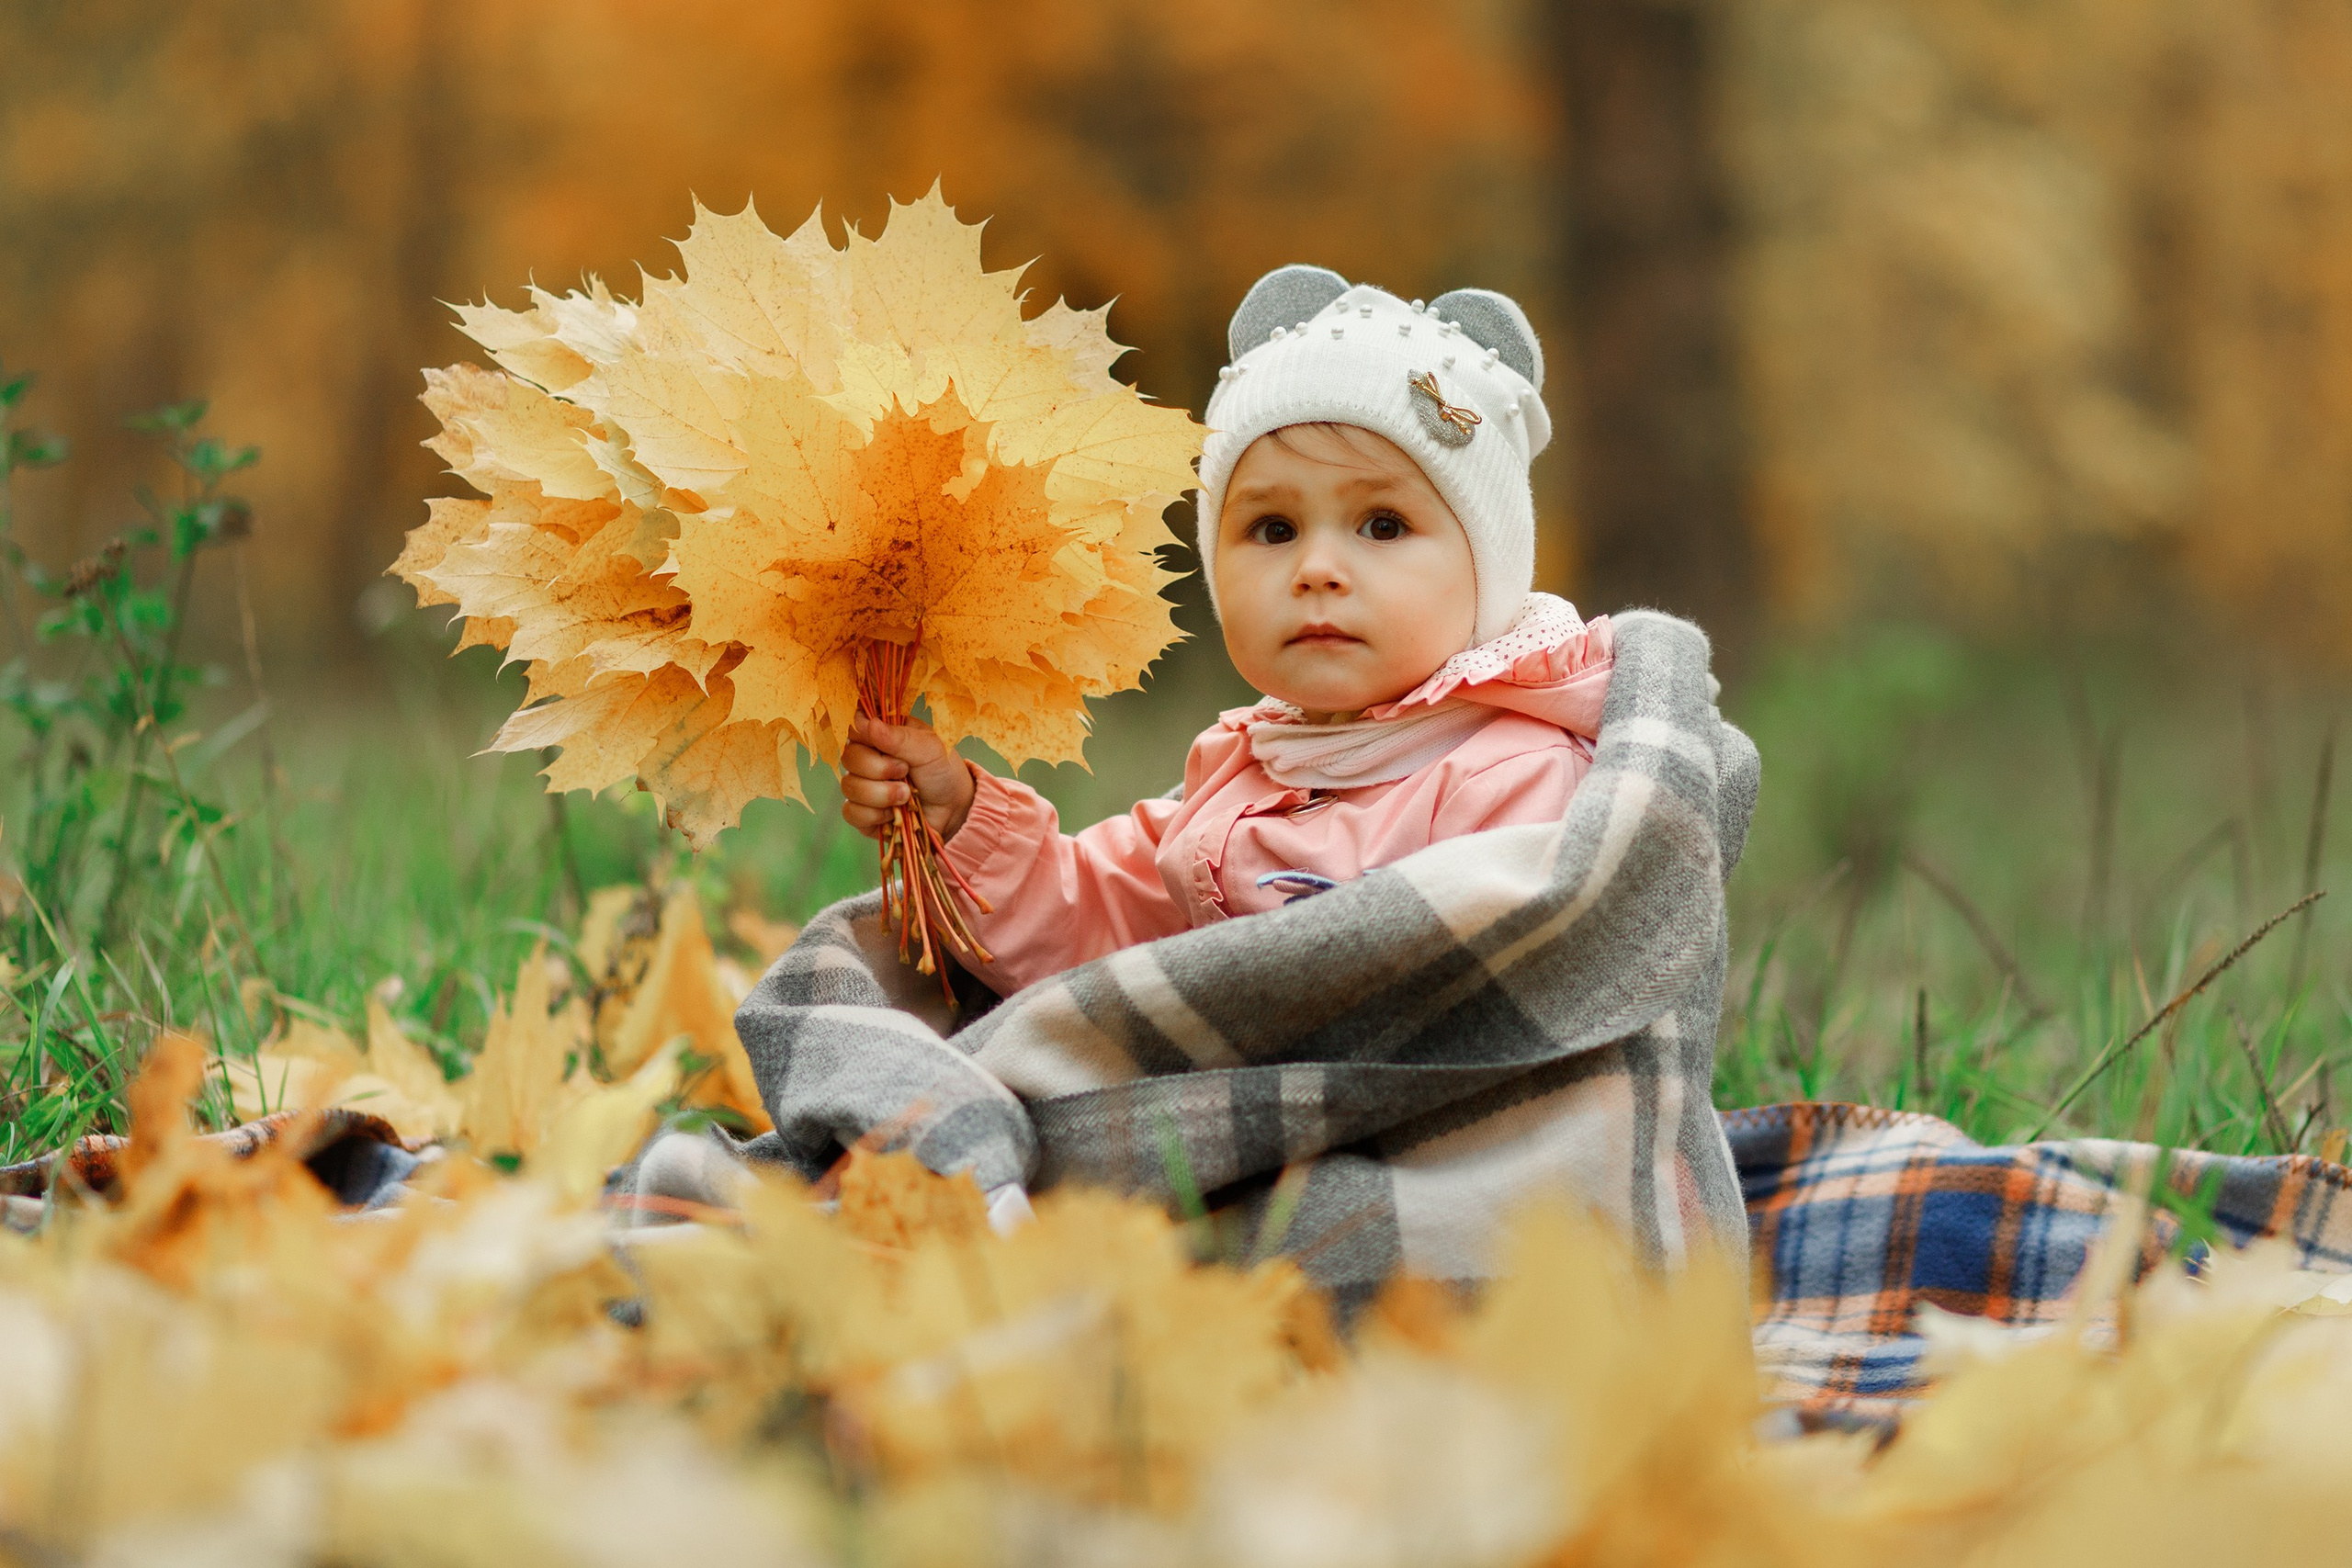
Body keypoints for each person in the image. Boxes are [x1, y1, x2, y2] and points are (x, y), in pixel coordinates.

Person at [839, 265, 1612, 999]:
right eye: (1274, 528)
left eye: (1383, 524)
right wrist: (962, 816)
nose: (1316, 568)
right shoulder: (1241, 777)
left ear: (1490, 574)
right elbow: (1098, 924)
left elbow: (1502, 1008)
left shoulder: (1511, 778)